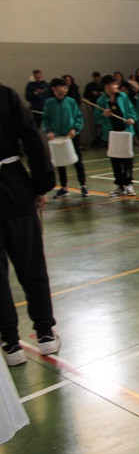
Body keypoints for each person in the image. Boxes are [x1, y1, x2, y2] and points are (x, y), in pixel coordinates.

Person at [0, 83, 60, 366]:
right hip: (13, 187)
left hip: (11, 182)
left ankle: (10, 343)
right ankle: (45, 332)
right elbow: (31, 138)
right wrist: (41, 184)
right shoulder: (5, 95)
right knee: (31, 263)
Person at [42, 77, 87, 199]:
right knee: (61, 162)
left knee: (77, 160)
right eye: (63, 86)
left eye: (66, 87)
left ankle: (83, 185)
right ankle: (64, 187)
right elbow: (45, 119)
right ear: (54, 88)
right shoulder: (49, 103)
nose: (65, 89)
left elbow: (78, 117)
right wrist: (49, 131)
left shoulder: (71, 101)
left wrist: (75, 129)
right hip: (57, 137)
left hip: (71, 136)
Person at [95, 73, 137, 197]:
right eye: (113, 84)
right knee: (116, 161)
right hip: (112, 134)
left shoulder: (123, 96)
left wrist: (131, 119)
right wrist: (104, 115)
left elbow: (131, 110)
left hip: (125, 132)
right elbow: (96, 118)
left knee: (128, 160)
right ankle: (120, 186)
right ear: (106, 86)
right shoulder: (101, 100)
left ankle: (129, 184)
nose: (116, 86)